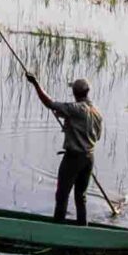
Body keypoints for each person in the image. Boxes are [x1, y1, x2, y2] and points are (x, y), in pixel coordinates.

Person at [27, 74, 103, 223]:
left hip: (73, 158)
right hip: (89, 158)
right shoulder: (97, 113)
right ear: (87, 92)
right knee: (80, 196)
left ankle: (58, 228)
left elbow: (50, 103)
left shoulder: (76, 108)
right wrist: (70, 121)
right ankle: (82, 227)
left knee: (62, 195)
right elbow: (97, 136)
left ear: (75, 93)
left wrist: (35, 83)